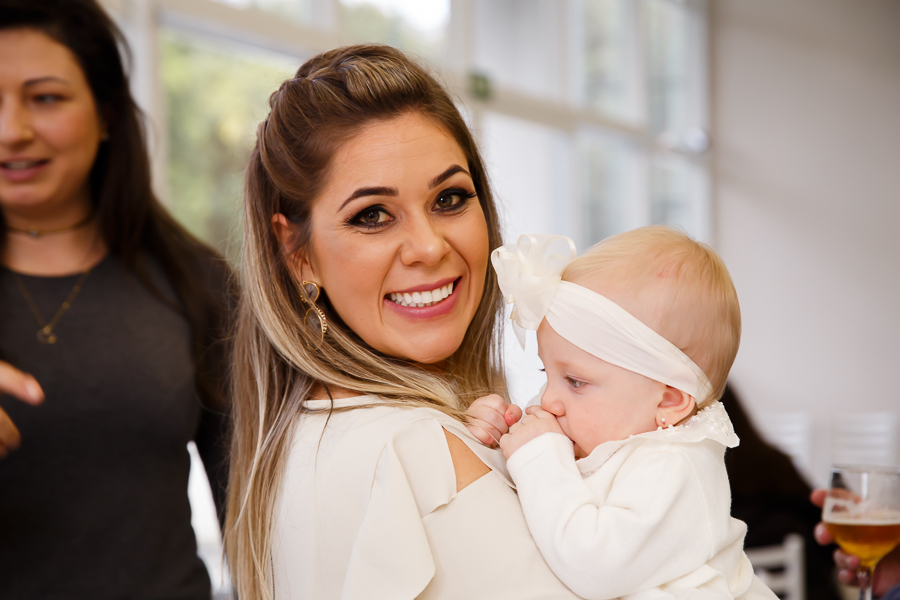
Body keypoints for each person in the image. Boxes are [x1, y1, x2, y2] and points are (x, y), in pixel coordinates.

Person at [225, 44, 582, 599]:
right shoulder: (421, 452)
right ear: (298, 255)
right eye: (372, 215)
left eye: (450, 198)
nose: (428, 246)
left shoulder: (301, 440)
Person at [0, 0, 232, 597]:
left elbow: (254, 507)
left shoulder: (195, 281)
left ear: (105, 114)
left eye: (45, 97)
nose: (11, 130)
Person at [469, 228, 777, 599]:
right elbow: (539, 507)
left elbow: (593, 566)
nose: (548, 400)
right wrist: (497, 436)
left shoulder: (675, 466)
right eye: (545, 374)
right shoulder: (599, 431)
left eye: (576, 382)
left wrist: (537, 457)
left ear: (668, 402)